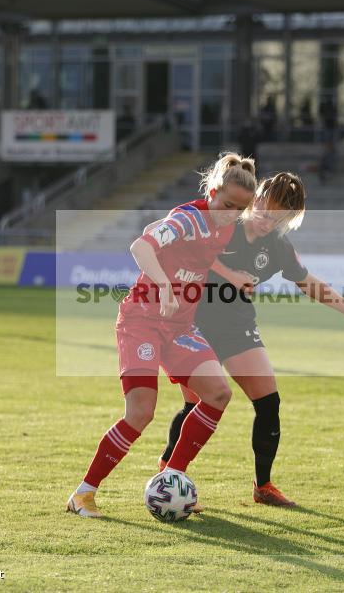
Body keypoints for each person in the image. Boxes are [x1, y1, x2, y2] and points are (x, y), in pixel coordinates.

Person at [156, 172, 344, 507]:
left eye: (280, 216)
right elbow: (186, 248)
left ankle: (263, 486)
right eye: (267, 210)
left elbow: (311, 284)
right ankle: (169, 471)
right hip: (193, 323)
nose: (270, 220)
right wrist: (228, 275)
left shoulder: (278, 247)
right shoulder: (226, 223)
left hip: (237, 327)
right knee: (197, 403)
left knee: (268, 401)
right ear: (257, 199)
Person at [67, 153, 257, 519]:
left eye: (240, 210)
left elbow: (205, 253)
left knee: (218, 393)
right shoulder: (186, 218)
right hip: (142, 320)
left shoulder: (226, 224)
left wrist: (231, 275)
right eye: (227, 205)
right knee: (141, 412)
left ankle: (173, 476)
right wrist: (165, 287)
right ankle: (83, 494)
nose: (231, 214)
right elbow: (141, 246)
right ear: (212, 191)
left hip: (180, 326)